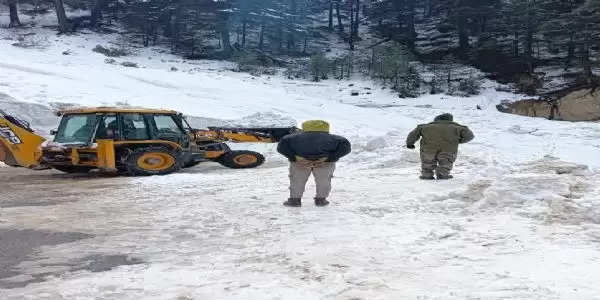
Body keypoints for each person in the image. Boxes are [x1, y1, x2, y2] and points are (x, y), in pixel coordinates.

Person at [277, 120, 351, 207]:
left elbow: (281, 148)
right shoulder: (338, 139)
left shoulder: (290, 138)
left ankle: (295, 200)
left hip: (300, 163)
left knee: (297, 181)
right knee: (324, 181)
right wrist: (329, 158)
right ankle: (321, 200)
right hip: (324, 163)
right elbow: (346, 148)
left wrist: (295, 157)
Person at [406, 113, 474, 180]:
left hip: (428, 149)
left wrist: (410, 143)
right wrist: (458, 141)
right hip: (448, 149)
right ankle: (443, 175)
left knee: (427, 161)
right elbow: (470, 136)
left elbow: (412, 135)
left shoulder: (424, 127)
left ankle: (426, 175)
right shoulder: (459, 128)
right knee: (446, 162)